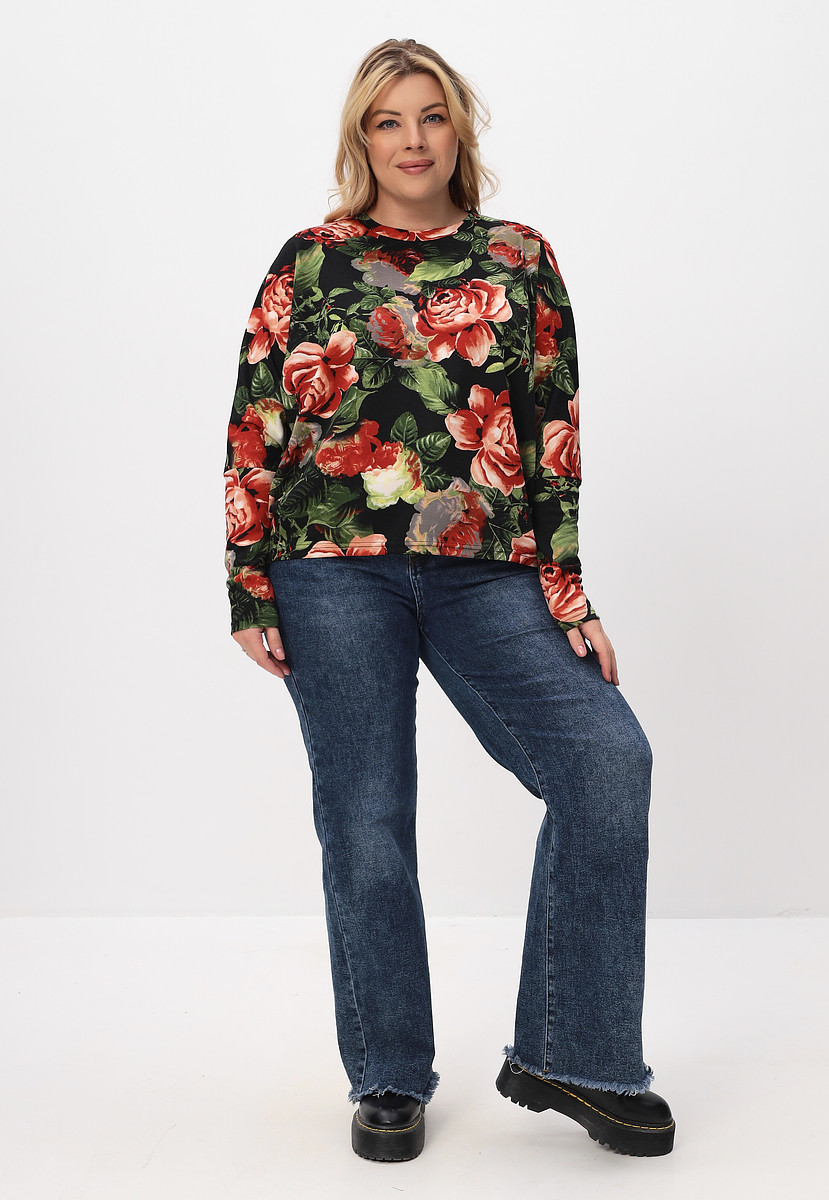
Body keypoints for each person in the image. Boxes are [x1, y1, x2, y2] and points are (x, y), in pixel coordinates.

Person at [224, 37, 675, 1162]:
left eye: (430, 116)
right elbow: (256, 423)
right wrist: (248, 584)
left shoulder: (520, 259)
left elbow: (553, 431)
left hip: (487, 568)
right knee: (367, 818)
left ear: (457, 131)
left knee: (606, 763)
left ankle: (578, 1055)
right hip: (330, 568)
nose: (412, 139)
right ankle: (387, 1071)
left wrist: (566, 589)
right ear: (361, 139)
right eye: (388, 121)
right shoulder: (310, 261)